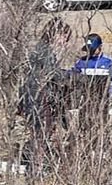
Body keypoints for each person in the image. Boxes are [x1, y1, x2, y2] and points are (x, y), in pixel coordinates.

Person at [19, 19, 72, 169]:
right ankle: (35, 166)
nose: (65, 42)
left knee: (40, 132)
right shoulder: (45, 52)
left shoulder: (40, 49)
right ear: (56, 34)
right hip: (39, 97)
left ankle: (36, 163)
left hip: (33, 95)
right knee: (42, 132)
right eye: (64, 37)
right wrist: (72, 76)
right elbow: (52, 75)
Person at [72, 33, 112, 99]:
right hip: (85, 99)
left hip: (104, 98)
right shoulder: (81, 62)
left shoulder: (108, 62)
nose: (90, 51)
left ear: (100, 46)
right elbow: (73, 78)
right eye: (88, 49)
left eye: (92, 49)